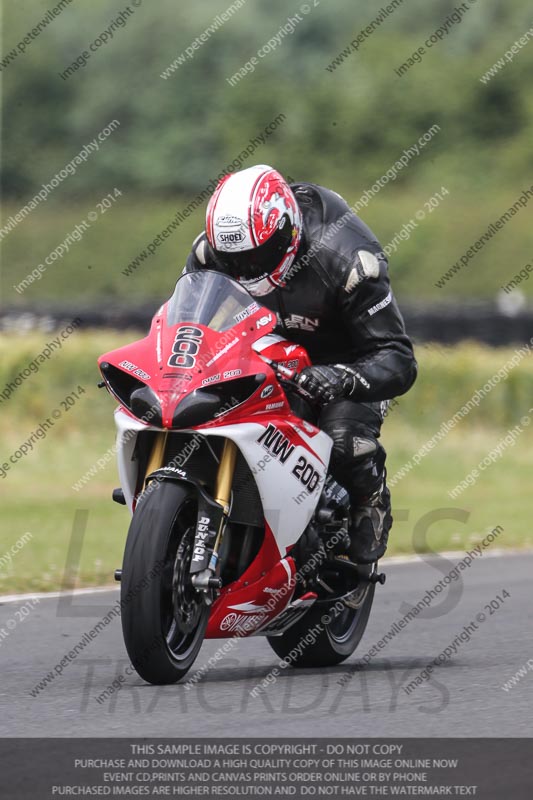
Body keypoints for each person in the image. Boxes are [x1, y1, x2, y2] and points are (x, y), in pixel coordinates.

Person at [184, 164, 417, 563]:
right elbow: (187, 322)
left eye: (258, 255)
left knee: (344, 442)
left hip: (345, 359)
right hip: (264, 349)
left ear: (288, 231)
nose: (247, 269)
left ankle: (370, 498)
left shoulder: (349, 260)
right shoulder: (210, 253)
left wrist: (343, 379)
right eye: (234, 260)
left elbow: (397, 358)